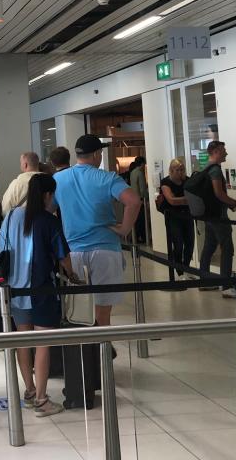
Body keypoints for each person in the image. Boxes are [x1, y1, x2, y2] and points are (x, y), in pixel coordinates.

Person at [0, 173, 75, 417]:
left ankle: (30, 391)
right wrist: (73, 275)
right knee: (43, 343)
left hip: (15, 288)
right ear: (47, 194)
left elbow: (2, 251)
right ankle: (43, 400)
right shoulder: (49, 221)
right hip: (42, 288)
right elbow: (63, 256)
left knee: (23, 340)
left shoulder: (10, 217)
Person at [54, 134, 141, 327]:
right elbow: (133, 201)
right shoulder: (107, 178)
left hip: (73, 251)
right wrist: (124, 228)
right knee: (103, 312)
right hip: (106, 251)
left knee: (78, 310)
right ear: (96, 155)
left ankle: (87, 352)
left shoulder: (59, 179)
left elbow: (48, 211)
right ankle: (103, 349)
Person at [197, 141, 236, 298]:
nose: (226, 153)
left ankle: (204, 281)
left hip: (209, 215)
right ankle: (226, 286)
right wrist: (234, 203)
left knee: (209, 247)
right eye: (224, 150)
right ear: (216, 151)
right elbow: (219, 193)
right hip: (218, 216)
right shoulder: (215, 170)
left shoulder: (206, 168)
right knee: (227, 248)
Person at [160, 159, 194, 276]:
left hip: (187, 215)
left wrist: (181, 200)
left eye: (182, 170)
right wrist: (186, 200)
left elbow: (193, 198)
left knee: (190, 244)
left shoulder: (187, 181)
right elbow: (172, 201)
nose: (180, 172)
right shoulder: (166, 182)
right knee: (178, 244)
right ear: (171, 170)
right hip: (173, 217)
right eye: (177, 170)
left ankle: (186, 268)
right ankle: (179, 269)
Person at [129, 157, 149, 244]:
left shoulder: (132, 172)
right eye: (144, 164)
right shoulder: (140, 173)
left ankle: (135, 237)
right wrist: (147, 198)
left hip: (133, 199)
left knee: (136, 220)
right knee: (142, 219)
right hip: (140, 200)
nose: (144, 166)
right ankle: (144, 238)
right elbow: (142, 189)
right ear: (141, 164)